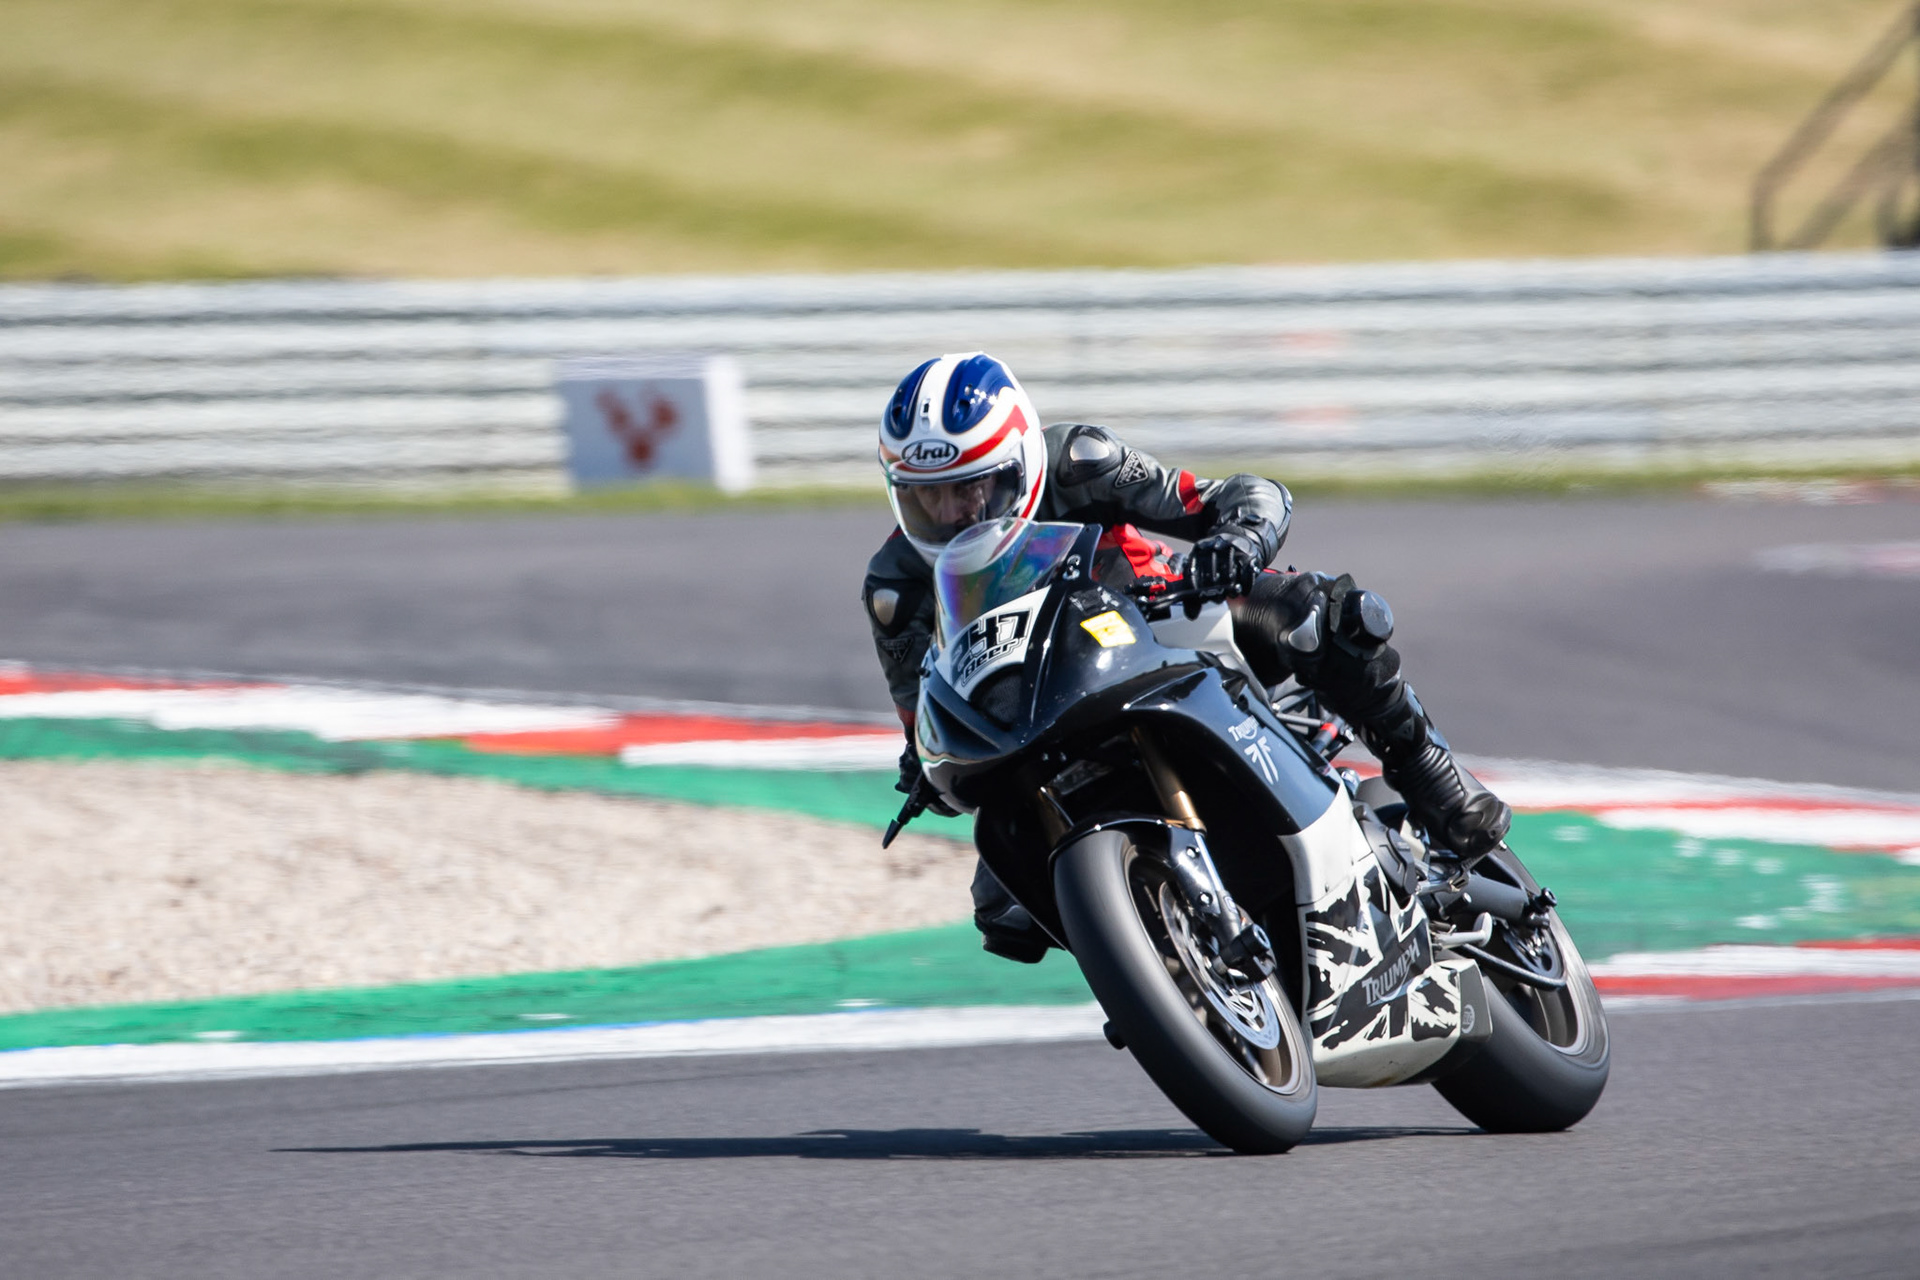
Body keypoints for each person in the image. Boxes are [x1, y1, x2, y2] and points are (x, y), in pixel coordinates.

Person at [863, 352, 1511, 962]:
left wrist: (1236, 541)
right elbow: (924, 708)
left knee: (1316, 614)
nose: (951, 514)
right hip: (1041, 709)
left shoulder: (1079, 461)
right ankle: (1161, 973)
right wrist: (924, 762)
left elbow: (1237, 495)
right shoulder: (896, 587)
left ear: (1021, 463)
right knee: (1003, 905)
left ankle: (1431, 775)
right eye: (926, 496)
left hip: (1160, 629)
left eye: (971, 488)